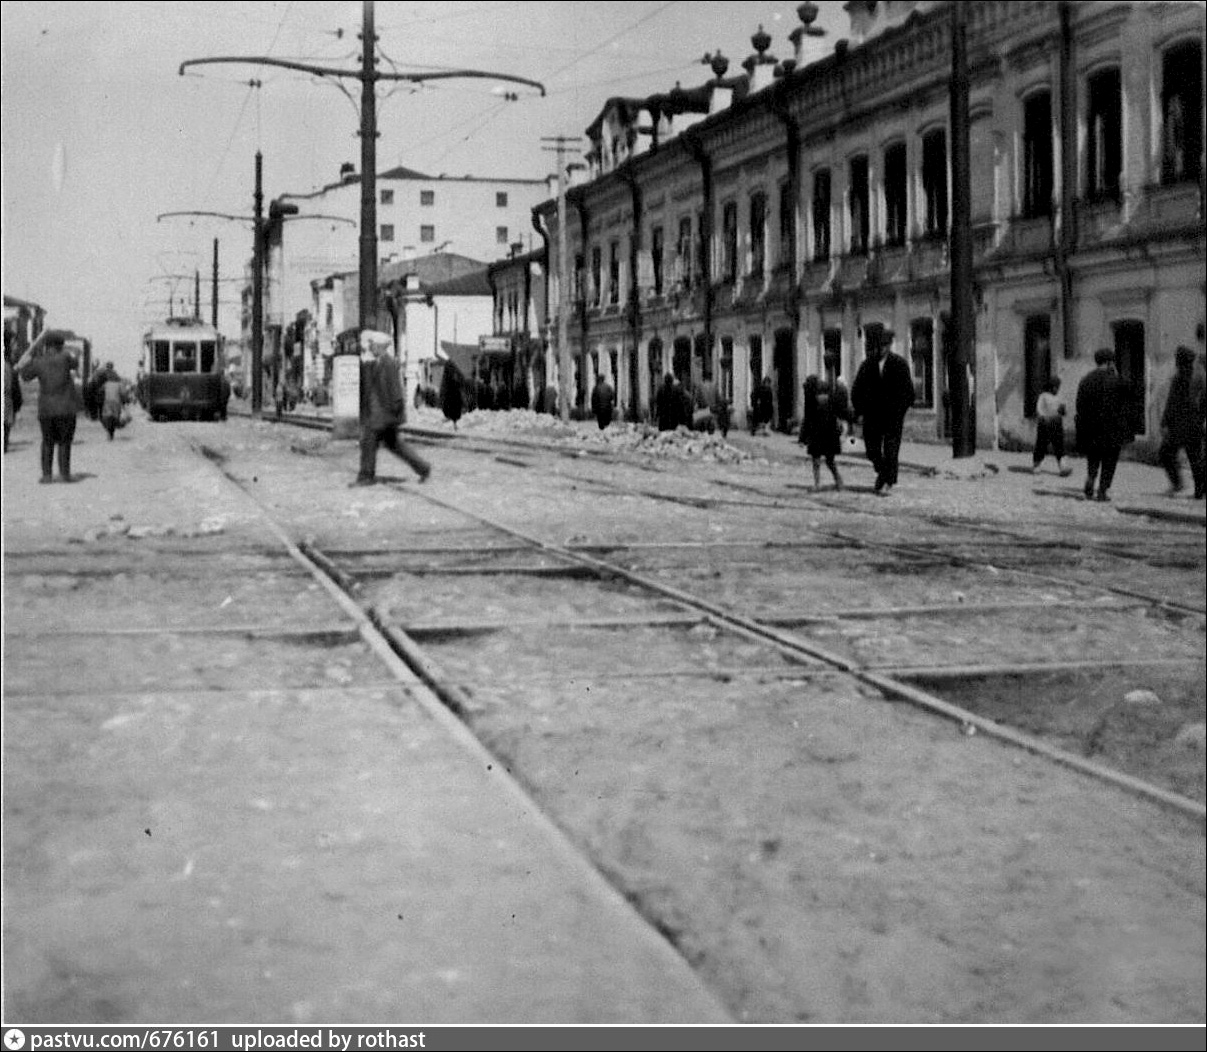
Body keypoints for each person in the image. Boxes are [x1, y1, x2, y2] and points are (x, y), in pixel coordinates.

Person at [354, 329, 431, 486]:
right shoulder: (378, 362)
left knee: (369, 442)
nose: (370, 347)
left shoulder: (388, 363)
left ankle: (366, 476)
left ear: (381, 346)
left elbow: (395, 388)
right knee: (395, 445)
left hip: (384, 413)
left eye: (373, 345)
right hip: (381, 413)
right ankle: (423, 467)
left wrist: (395, 410)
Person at [851, 329, 916, 494]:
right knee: (872, 450)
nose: (881, 348)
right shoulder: (867, 365)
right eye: (879, 345)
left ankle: (888, 481)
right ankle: (882, 472)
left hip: (892, 416)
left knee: (891, 451)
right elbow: (856, 390)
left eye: (885, 345)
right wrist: (860, 411)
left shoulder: (899, 364)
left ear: (889, 345)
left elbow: (908, 392)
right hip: (872, 416)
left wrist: (899, 411)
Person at [16, 329, 81, 483]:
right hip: (66, 408)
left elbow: (25, 377)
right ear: (60, 346)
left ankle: (47, 475)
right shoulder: (65, 357)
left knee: (47, 441)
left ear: (45, 346)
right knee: (65, 442)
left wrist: (24, 363)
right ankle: (64, 474)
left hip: (46, 409)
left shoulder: (38, 361)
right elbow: (76, 363)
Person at [1075, 347, 1134, 502]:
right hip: (1111, 428)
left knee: (1093, 457)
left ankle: (1091, 477)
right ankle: (1102, 491)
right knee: (1109, 461)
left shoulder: (1086, 380)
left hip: (1091, 428)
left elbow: (1079, 405)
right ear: (1110, 362)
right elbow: (1129, 390)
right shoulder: (1115, 379)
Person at [1158, 345, 1205, 499]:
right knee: (1195, 459)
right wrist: (1200, 418)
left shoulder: (1179, 379)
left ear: (1180, 360)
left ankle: (1177, 483)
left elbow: (1172, 403)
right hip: (1195, 424)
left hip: (1179, 426)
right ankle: (1199, 491)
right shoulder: (1198, 377)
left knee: (1165, 453)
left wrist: (1164, 423)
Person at [799, 354, 852, 490]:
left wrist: (802, 438)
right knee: (828, 461)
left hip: (821, 432)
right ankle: (837, 481)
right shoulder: (829, 394)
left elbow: (807, 419)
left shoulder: (816, 400)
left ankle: (822, 483)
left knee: (819, 461)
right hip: (827, 432)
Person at [1032, 376, 1072, 476]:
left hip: (1056, 423)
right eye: (1054, 387)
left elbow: (1063, 411)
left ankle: (1063, 467)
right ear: (1050, 387)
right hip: (1045, 424)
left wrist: (1063, 410)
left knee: (1059, 445)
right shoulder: (1044, 396)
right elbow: (1039, 409)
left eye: (1058, 387)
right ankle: (1037, 465)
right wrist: (1043, 417)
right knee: (1041, 445)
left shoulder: (1059, 397)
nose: (1056, 389)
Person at [96, 362, 126, 441]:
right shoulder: (116, 376)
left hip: (106, 400)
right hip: (115, 401)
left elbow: (99, 389)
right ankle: (111, 432)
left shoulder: (102, 374)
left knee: (105, 417)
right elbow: (122, 392)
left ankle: (109, 431)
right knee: (114, 417)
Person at [440, 361, 464, 429]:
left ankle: (454, 424)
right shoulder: (454, 376)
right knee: (454, 412)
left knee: (452, 411)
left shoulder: (447, 379)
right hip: (453, 399)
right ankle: (454, 424)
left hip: (451, 399)